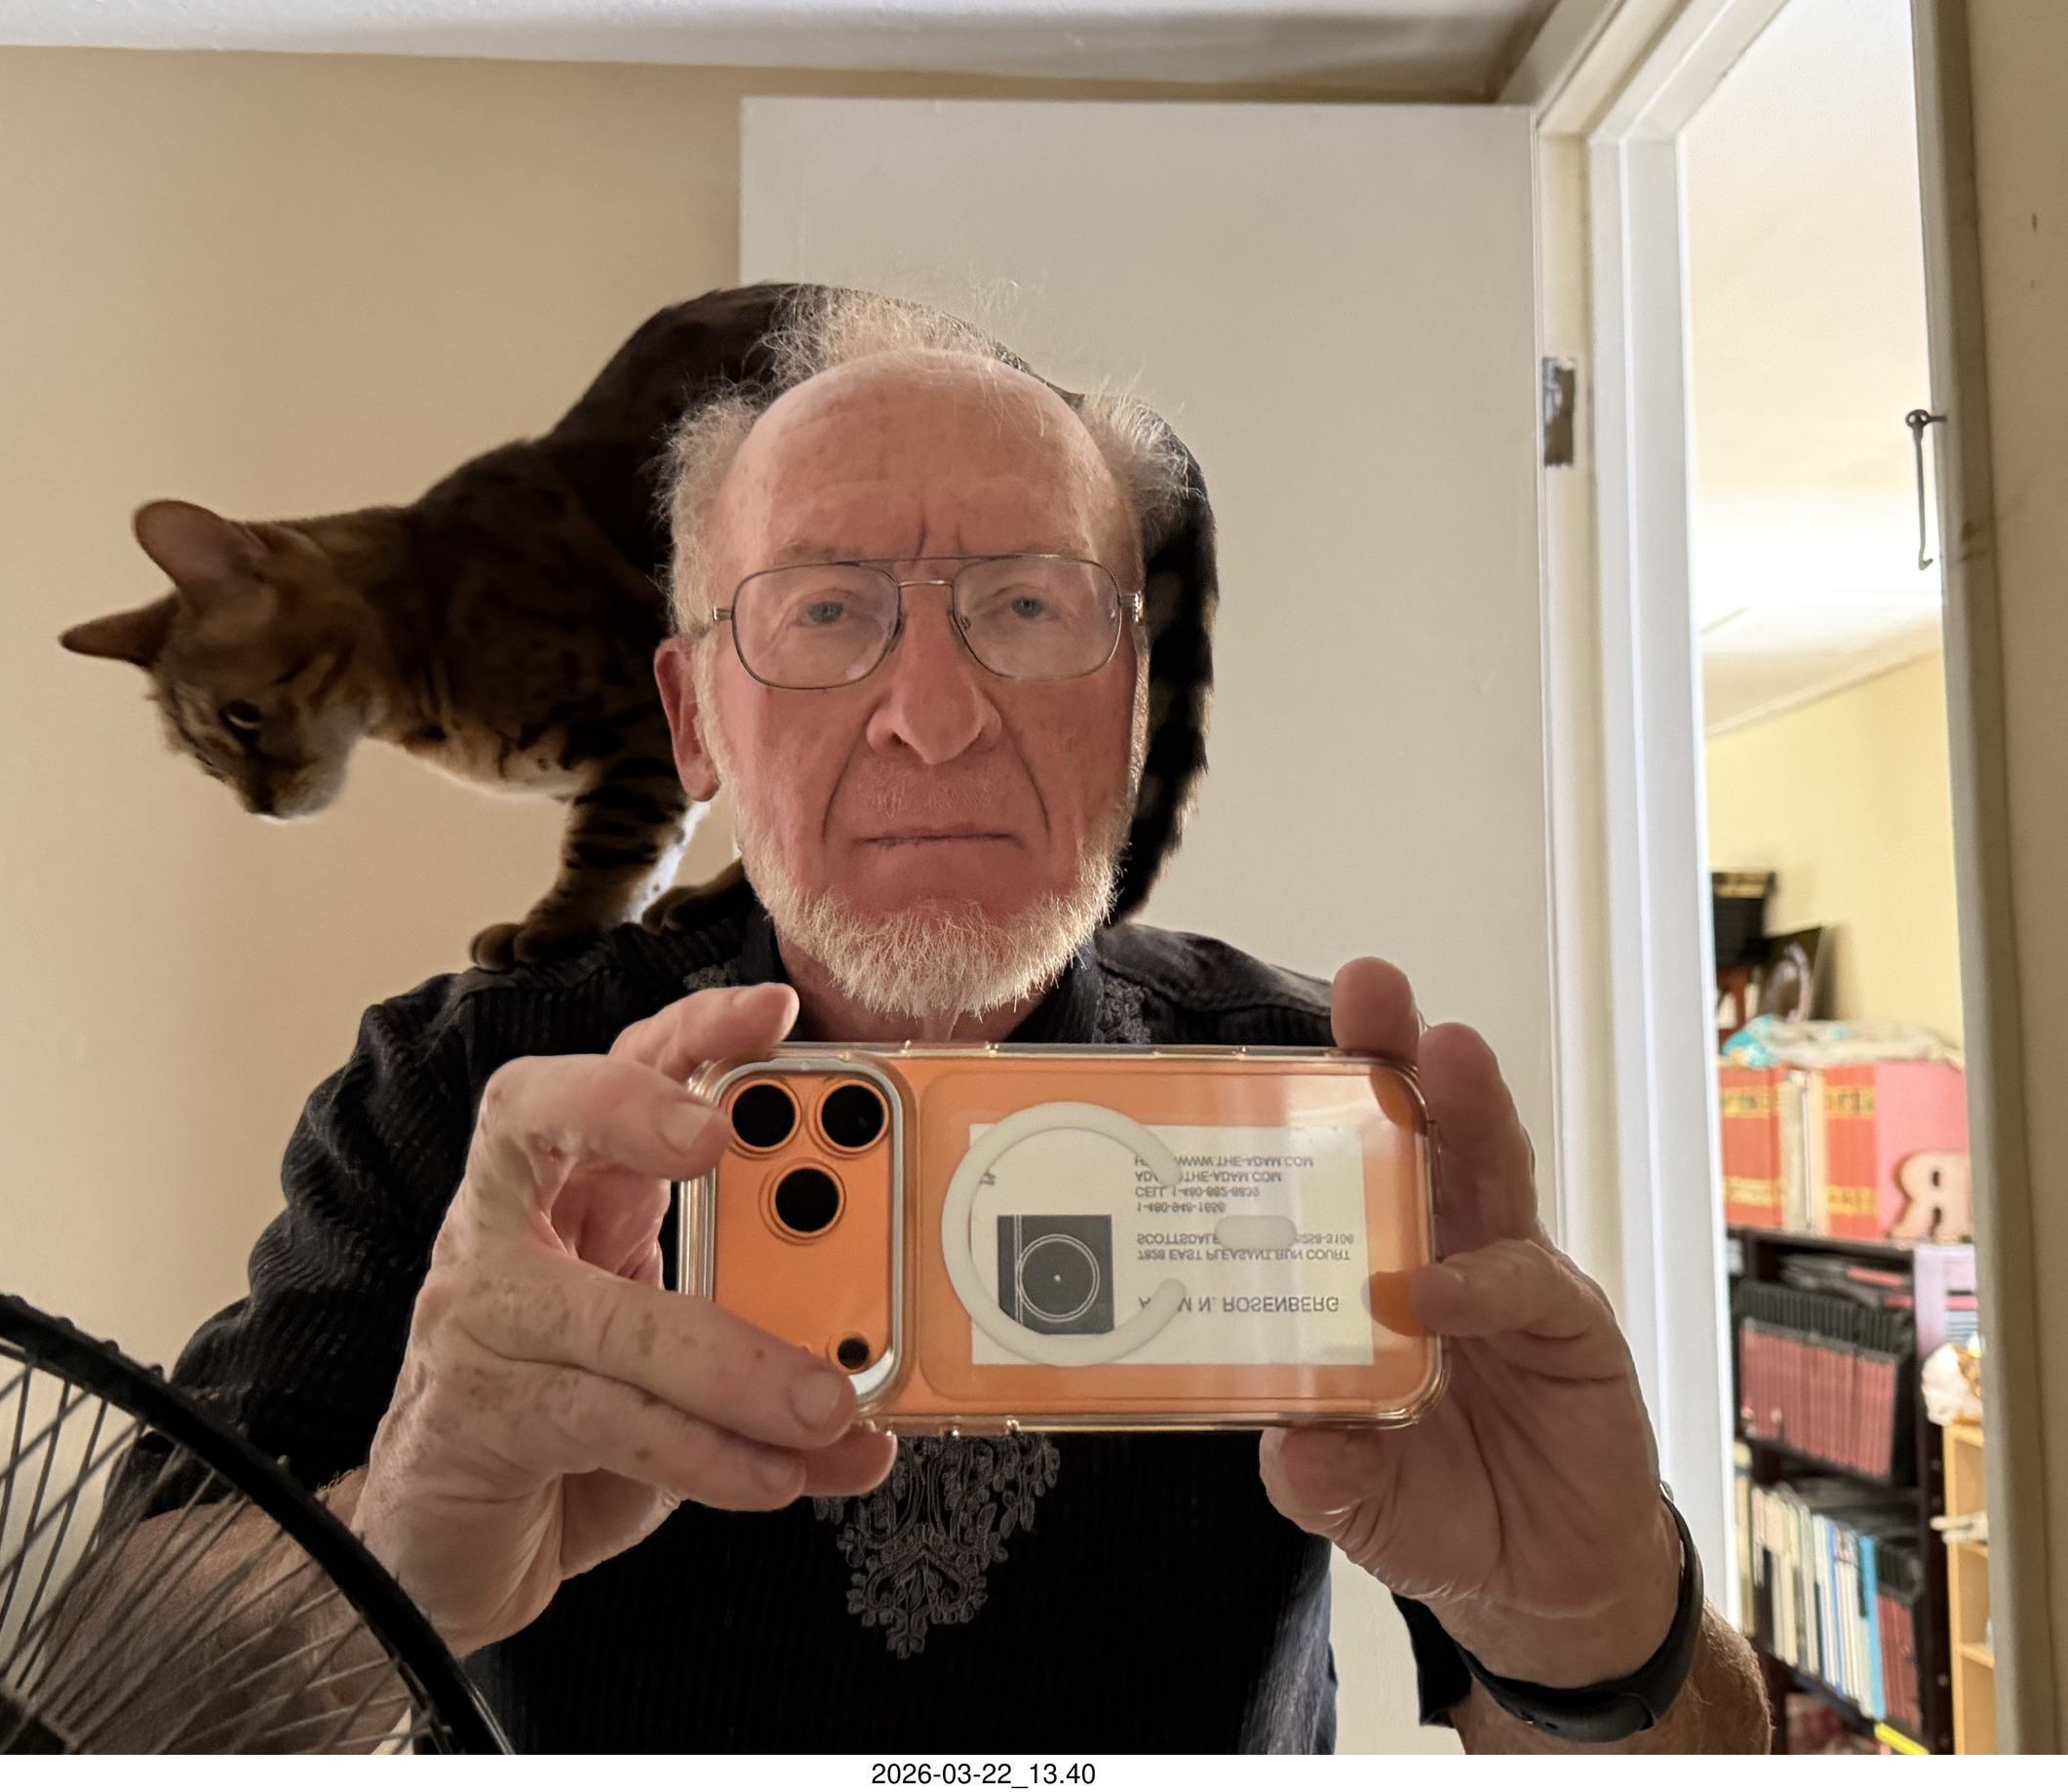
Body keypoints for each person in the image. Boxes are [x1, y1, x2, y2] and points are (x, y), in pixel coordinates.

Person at [147, 292, 1771, 1752]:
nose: (932, 716)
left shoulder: (1311, 1111)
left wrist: (1597, 1629)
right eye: (824, 612)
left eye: (1030, 606)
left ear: (1132, 703)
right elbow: (104, 1691)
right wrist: (390, 1539)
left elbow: (1660, 1732)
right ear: (692, 720)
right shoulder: (464, 1100)